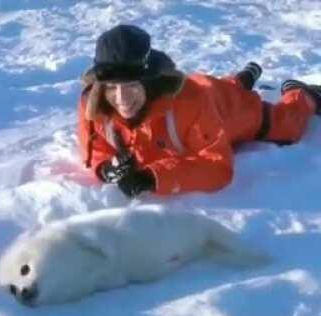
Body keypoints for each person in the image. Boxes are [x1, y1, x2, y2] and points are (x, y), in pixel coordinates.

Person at [78, 24, 321, 197]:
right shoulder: (95, 104)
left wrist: (154, 178)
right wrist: (106, 168)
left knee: (286, 126)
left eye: (131, 86)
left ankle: (302, 93)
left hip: (222, 108)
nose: (121, 99)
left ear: (149, 81)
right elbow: (96, 150)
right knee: (223, 87)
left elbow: (217, 167)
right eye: (112, 87)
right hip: (204, 87)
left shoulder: (190, 105)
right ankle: (241, 79)